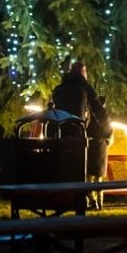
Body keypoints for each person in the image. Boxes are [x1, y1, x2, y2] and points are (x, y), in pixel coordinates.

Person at [51, 60, 111, 206]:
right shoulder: (85, 88)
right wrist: (108, 130)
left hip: (61, 134)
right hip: (80, 133)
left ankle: (74, 197)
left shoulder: (59, 89)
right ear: (83, 73)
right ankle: (87, 197)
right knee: (91, 156)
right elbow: (99, 111)